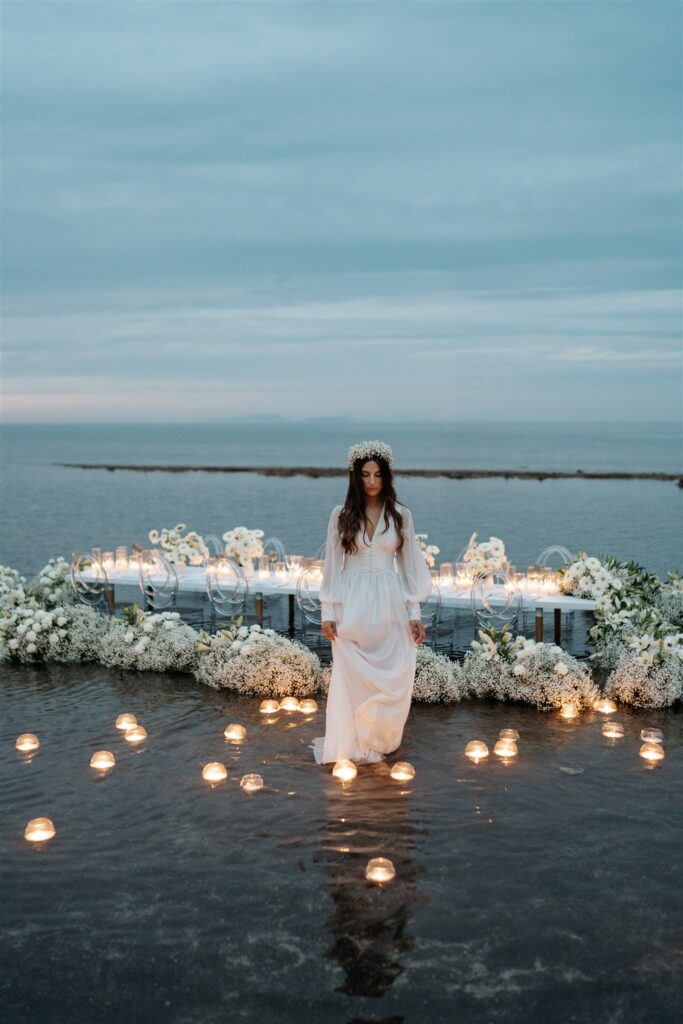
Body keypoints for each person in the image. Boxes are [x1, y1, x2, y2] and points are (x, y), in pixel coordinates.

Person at [310, 440, 433, 766]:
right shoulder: (340, 515)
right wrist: (327, 611)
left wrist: (414, 614)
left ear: (386, 476)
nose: (372, 481)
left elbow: (408, 569)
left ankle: (380, 739)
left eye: (378, 475)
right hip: (351, 605)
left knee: (393, 674)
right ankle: (352, 741)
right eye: (365, 475)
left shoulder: (401, 516)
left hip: (389, 604)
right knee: (351, 676)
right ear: (356, 477)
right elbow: (332, 566)